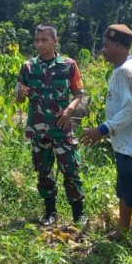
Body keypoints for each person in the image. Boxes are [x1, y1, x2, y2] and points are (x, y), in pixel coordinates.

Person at [81, 24, 132, 245]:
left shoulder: (127, 71)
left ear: (117, 45)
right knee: (125, 190)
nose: (103, 50)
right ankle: (122, 230)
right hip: (128, 142)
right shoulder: (126, 67)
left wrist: (102, 130)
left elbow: (130, 109)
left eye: (105, 45)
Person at [16, 25, 87, 226]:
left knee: (71, 170)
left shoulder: (68, 65)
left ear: (55, 41)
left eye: (44, 40)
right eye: (37, 39)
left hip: (62, 128)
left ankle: (78, 213)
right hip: (39, 129)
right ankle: (50, 212)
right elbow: (19, 97)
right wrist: (20, 94)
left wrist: (70, 109)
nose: (39, 44)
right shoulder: (28, 67)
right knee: (43, 172)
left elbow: (79, 93)